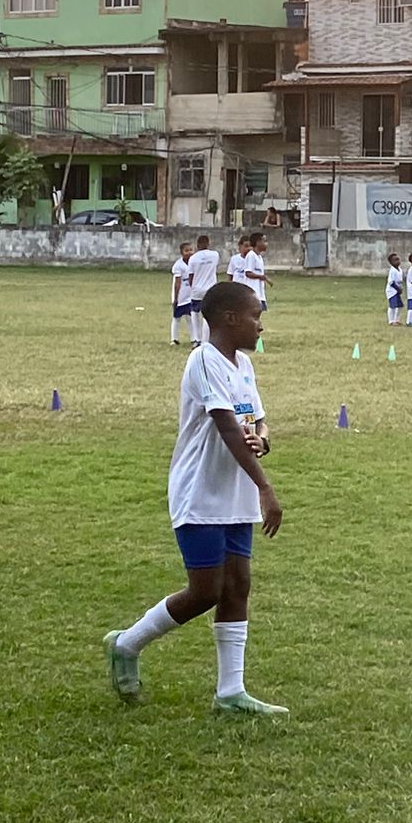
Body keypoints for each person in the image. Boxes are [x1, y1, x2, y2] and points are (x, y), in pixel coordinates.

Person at [104, 282, 288, 717]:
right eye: (254, 316)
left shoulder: (243, 365)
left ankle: (230, 692)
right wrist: (265, 487)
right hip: (201, 492)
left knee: (238, 585)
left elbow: (256, 422)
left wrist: (261, 440)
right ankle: (126, 644)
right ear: (229, 319)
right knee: (206, 590)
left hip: (233, 492)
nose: (261, 325)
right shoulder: (203, 361)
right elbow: (225, 427)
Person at [187, 235, 221, 345]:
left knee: (195, 313)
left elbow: (190, 276)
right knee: (208, 314)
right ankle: (206, 340)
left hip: (197, 289)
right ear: (208, 243)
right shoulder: (215, 255)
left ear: (197, 245)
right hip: (210, 289)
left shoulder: (193, 258)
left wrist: (193, 287)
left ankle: (197, 339)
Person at [170, 242, 197, 348]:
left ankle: (194, 338)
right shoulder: (178, 265)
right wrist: (175, 298)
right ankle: (174, 339)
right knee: (176, 318)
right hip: (181, 296)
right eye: (187, 250)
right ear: (181, 253)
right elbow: (177, 283)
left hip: (191, 296)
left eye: (191, 250)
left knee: (191, 318)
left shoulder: (194, 263)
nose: (189, 252)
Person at [244, 232, 272, 312]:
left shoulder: (259, 257)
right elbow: (248, 273)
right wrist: (262, 277)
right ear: (258, 242)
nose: (266, 244)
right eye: (264, 241)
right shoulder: (251, 255)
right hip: (253, 291)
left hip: (260, 293)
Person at [385, 253, 405, 327]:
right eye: (395, 260)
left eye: (398, 259)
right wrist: (397, 288)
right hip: (392, 291)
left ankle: (397, 320)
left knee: (400, 306)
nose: (397, 261)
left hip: (398, 291)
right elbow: (391, 282)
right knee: (393, 306)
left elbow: (400, 281)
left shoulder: (400, 270)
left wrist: (400, 288)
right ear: (391, 262)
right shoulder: (392, 271)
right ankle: (391, 321)